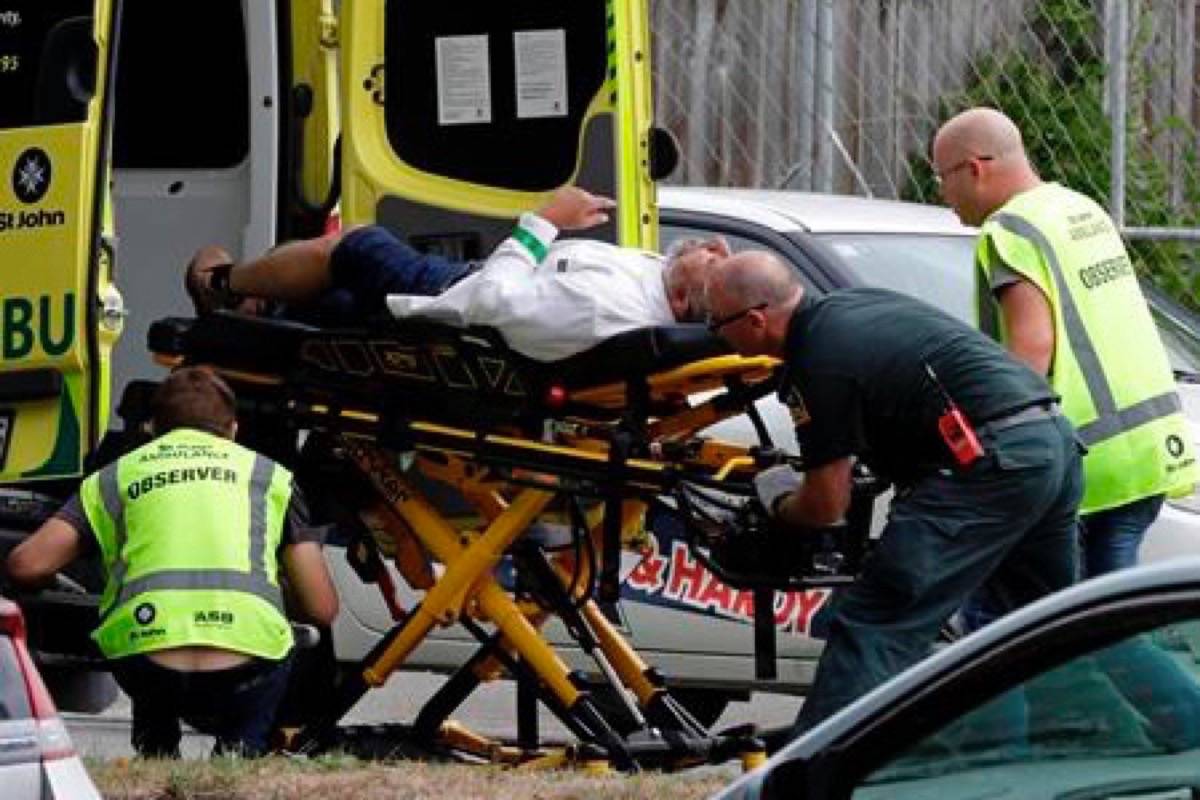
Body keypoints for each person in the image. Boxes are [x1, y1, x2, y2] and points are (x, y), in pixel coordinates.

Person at [705, 251, 1083, 737]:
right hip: (1051, 440)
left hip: (991, 463)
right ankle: (1159, 734)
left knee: (875, 623)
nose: (717, 335)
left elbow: (825, 505)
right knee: (1056, 623)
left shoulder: (818, 360)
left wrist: (777, 500)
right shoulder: (855, 306)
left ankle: (813, 771)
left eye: (718, 324)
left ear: (756, 320)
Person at [5, 367, 338, 758]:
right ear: (232, 429)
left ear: (151, 427)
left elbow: (26, 565)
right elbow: (321, 607)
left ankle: (157, 749)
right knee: (284, 654)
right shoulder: (270, 477)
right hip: (246, 664)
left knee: (142, 640)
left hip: (147, 662)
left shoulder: (116, 477)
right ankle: (239, 755)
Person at [933, 107, 1198, 580]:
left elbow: (1032, 348)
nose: (942, 193)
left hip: (1083, 462)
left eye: (942, 177)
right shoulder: (1078, 208)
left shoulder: (1010, 232)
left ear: (974, 169)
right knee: (1104, 626)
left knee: (1031, 626)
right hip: (1146, 450)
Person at [185, 186, 726, 362]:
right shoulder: (664, 289)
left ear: (684, 302)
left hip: (455, 301)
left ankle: (223, 285)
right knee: (340, 311)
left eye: (714, 259)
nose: (711, 247)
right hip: (472, 286)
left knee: (355, 246)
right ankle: (263, 309)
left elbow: (492, 304)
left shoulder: (609, 309)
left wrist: (543, 225)